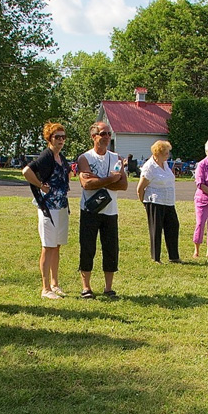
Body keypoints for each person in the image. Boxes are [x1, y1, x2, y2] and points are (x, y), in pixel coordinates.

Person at [77, 121, 128, 299]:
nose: (107, 137)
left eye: (109, 134)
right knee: (87, 248)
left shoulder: (116, 158)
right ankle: (86, 287)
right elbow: (86, 184)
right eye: (103, 134)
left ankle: (108, 288)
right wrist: (110, 179)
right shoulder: (85, 158)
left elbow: (123, 184)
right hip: (90, 210)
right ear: (93, 136)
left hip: (110, 211)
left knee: (111, 249)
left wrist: (99, 180)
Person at [23, 122, 71, 299]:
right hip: (48, 208)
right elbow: (26, 171)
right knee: (48, 246)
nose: (61, 140)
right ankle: (46, 288)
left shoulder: (61, 157)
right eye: (57, 137)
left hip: (61, 207)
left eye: (63, 137)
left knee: (56, 246)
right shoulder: (46, 156)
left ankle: (55, 284)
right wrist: (40, 185)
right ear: (49, 138)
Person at [136, 140, 180, 263]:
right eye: (165, 153)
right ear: (158, 153)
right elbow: (140, 188)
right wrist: (144, 203)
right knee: (156, 230)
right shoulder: (149, 167)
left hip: (168, 202)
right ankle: (156, 258)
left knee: (173, 226)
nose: (168, 155)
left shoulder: (165, 164)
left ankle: (174, 256)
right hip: (155, 201)